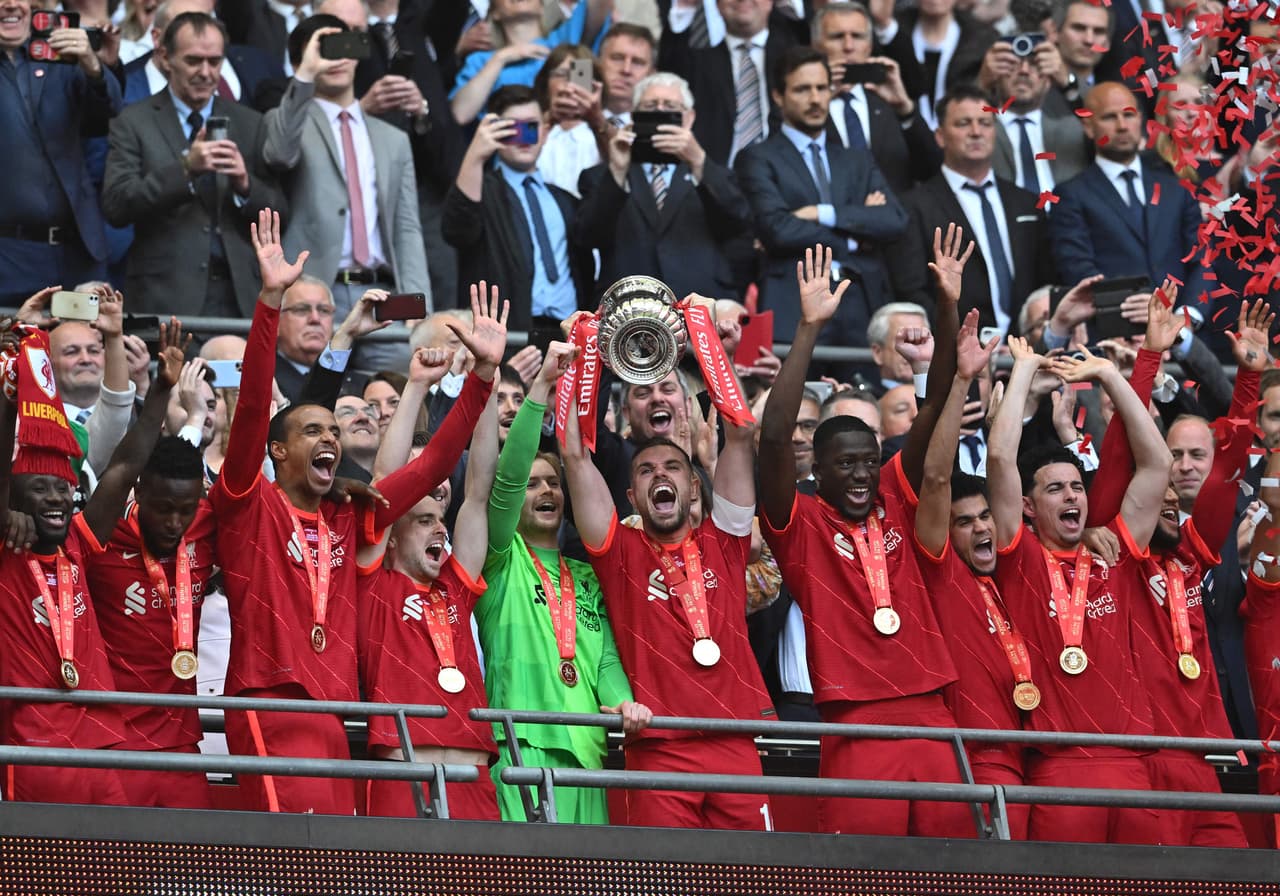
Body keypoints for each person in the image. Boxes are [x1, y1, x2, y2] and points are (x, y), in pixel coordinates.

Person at [210, 208, 501, 815]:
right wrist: (269, 302)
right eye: (313, 429)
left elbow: (429, 466)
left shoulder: (351, 517)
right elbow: (254, 406)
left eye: (333, 433)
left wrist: (482, 380)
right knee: (298, 859)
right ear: (278, 451)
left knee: (341, 862)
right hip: (270, 700)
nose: (330, 440)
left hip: (334, 712)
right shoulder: (248, 500)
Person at [758, 235, 971, 839]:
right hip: (855, 723)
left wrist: (947, 307)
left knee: (955, 871)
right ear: (815, 472)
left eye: (868, 461)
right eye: (845, 464)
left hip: (933, 716)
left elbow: (932, 413)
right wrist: (807, 328)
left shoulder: (896, 502)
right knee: (862, 873)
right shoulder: (799, 527)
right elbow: (773, 440)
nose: (860, 475)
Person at [986, 303, 1173, 844]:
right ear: (1026, 507)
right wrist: (1022, 368)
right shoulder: (1016, 556)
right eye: (1054, 489)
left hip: (1135, 764)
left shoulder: (1113, 550)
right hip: (1059, 768)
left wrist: (1112, 377)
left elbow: (1157, 466)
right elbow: (1001, 459)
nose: (1072, 496)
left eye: (1076, 487)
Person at [563, 360, 773, 830]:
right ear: (632, 497)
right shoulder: (620, 552)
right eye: (646, 471)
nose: (661, 474)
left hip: (735, 738)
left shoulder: (726, 542)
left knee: (758, 876)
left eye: (673, 467)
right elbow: (574, 456)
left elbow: (740, 432)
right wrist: (584, 355)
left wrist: (704, 334)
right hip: (659, 744)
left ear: (693, 486)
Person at [0, 315, 186, 805]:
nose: (57, 498)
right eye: (40, 490)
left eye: (63, 487)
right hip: (31, 742)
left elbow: (125, 466)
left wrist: (162, 391)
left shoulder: (79, 544)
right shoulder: (7, 553)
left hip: (103, 740)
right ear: (16, 499)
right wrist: (5, 402)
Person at [481, 342, 651, 823]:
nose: (546, 491)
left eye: (553, 483)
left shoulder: (586, 577)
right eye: (534, 484)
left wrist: (622, 701)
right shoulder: (500, 557)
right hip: (521, 744)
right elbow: (507, 479)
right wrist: (539, 391)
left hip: (587, 751)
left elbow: (606, 661)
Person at [358, 320, 501, 820]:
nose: (439, 529)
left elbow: (479, 492)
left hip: (474, 778)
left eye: (439, 520)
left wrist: (488, 377)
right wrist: (416, 386)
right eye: (422, 521)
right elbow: (383, 482)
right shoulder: (374, 583)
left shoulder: (456, 589)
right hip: (404, 771)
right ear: (393, 533)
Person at [913, 305, 1030, 837]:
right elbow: (936, 477)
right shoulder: (942, 574)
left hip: (1038, 755)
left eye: (986, 516)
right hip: (979, 763)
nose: (983, 529)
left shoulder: (1014, 572)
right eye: (966, 522)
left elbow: (1006, 470)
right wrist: (961, 380)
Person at [262, 16, 430, 372]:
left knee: (398, 389)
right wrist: (305, 75)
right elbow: (278, 152)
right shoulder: (288, 121)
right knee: (316, 399)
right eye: (323, 50)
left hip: (384, 294)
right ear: (300, 61)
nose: (336, 59)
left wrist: (418, 306)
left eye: (344, 47)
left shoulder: (393, 139)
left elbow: (407, 227)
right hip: (317, 294)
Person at [103, 12, 284, 319]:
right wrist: (186, 168)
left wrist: (244, 184)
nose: (205, 72)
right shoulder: (133, 120)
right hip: (165, 297)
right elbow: (117, 205)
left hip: (239, 298)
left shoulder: (250, 123)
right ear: (164, 57)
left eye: (215, 61)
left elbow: (281, 212)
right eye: (193, 61)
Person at [736, 48, 907, 358]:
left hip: (860, 302)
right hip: (793, 301)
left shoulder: (855, 159)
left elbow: (894, 219)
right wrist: (857, 234)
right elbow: (777, 229)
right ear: (778, 95)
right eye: (802, 89)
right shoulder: (757, 158)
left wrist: (821, 213)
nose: (815, 99)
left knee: (862, 401)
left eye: (821, 88)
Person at [86, 435, 218, 809]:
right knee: (122, 866)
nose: (175, 523)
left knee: (195, 864)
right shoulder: (100, 537)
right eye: (163, 509)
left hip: (182, 744)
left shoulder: (205, 527)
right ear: (139, 491)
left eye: (186, 509)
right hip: (116, 741)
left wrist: (332, 486)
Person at [885, 85, 1054, 336]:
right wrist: (954, 341)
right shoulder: (914, 206)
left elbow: (1045, 280)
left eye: (985, 123)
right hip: (956, 352)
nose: (976, 132)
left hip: (1026, 348)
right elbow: (912, 289)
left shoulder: (1026, 203)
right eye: (963, 123)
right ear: (940, 136)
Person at [576, 71, 754, 301]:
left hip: (697, 306)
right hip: (627, 310)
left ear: (689, 118)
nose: (660, 112)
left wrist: (698, 161)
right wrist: (618, 170)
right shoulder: (602, 176)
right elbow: (587, 236)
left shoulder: (713, 173)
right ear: (634, 115)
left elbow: (738, 225)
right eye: (650, 106)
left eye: (670, 106)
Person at [442, 84, 591, 337]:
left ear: (545, 132)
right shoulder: (481, 190)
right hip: (509, 334)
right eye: (512, 128)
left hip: (567, 332)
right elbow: (458, 231)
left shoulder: (565, 199)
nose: (523, 137)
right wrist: (476, 155)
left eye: (531, 127)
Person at [0, 0, 123, 303]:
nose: (10, 5)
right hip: (8, 256)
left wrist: (94, 66)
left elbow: (107, 112)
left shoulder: (61, 50)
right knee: (15, 349)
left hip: (76, 250)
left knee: (83, 348)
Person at [1050, 82, 1208, 307]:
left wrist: (1189, 318)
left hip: (1182, 331)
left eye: (1129, 115)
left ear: (1141, 119)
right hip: (1115, 332)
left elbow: (1202, 262)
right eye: (1109, 117)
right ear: (1088, 126)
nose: (1122, 126)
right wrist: (1132, 310)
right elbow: (1079, 270)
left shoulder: (1177, 189)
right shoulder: (1070, 195)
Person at [811, 1, 939, 195]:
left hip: (896, 219)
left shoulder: (889, 101)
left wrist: (905, 110)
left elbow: (933, 170)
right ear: (817, 46)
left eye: (857, 36)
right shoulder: (802, 102)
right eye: (837, 37)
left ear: (869, 46)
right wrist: (821, 99)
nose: (848, 46)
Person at [657, 0, 804, 166]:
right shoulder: (698, 64)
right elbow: (667, 73)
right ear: (717, 5)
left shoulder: (794, 57)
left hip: (784, 172)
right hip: (716, 176)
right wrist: (686, 7)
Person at [448, 0, 614, 125]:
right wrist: (502, 57)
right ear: (495, 13)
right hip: (508, 162)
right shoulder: (481, 61)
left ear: (542, 7)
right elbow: (461, 114)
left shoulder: (564, 41)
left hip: (570, 152)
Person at [977, 35, 1089, 193]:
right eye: (1012, 63)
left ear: (1049, 78)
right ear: (995, 73)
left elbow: (1107, 126)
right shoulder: (978, 131)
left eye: (1035, 64)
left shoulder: (1072, 129)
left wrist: (1067, 82)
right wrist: (981, 85)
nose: (1023, 70)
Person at [596, 22, 656, 127]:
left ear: (651, 74)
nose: (626, 70)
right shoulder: (571, 119)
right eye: (617, 58)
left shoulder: (659, 132)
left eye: (637, 62)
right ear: (598, 63)